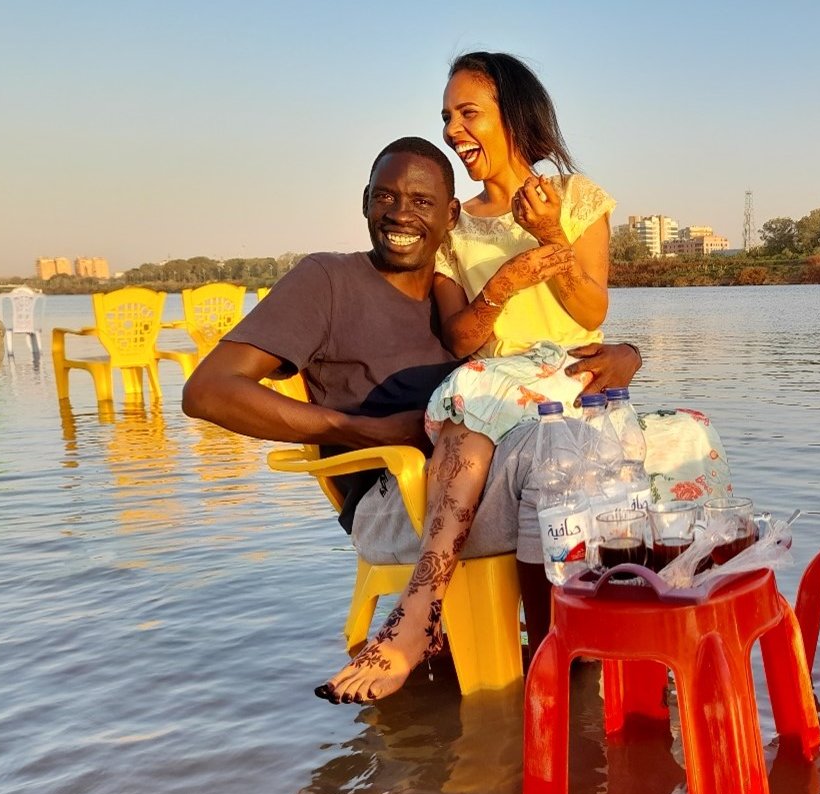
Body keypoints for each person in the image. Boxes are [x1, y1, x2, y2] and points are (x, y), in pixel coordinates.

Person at [182, 136, 643, 704]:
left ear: (452, 216)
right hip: (391, 500)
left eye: (422, 203)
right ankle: (555, 670)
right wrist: (359, 429)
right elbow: (207, 392)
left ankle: (624, 654)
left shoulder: (463, 307)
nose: (401, 214)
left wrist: (626, 355)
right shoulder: (328, 280)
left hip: (490, 486)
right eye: (386, 197)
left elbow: (541, 368)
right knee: (559, 454)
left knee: (634, 445)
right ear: (366, 203)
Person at [421, 52, 614, 449]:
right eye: (446, 117)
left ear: (512, 115)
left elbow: (593, 312)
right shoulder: (453, 226)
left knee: (693, 436)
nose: (451, 130)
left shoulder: (576, 198)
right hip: (499, 395)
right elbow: (458, 340)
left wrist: (550, 234)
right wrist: (505, 282)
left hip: (574, 383)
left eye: (467, 113)